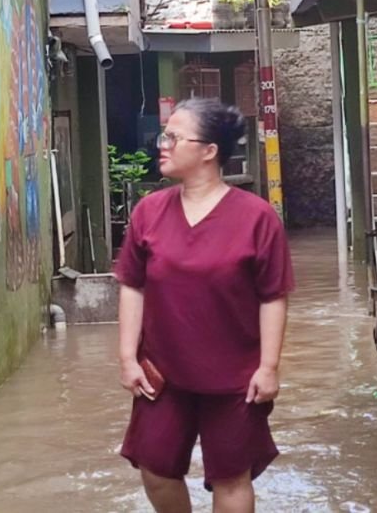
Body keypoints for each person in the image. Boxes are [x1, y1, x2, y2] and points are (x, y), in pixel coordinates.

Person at [115, 98, 295, 513]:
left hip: (235, 378)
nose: (163, 145)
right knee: (155, 469)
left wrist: (268, 367)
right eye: (165, 136)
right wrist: (127, 357)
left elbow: (273, 296)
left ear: (209, 151)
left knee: (231, 478)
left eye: (174, 138)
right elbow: (133, 286)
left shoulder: (257, 218)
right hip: (161, 373)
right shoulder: (149, 212)